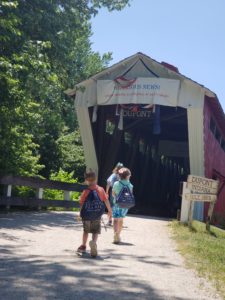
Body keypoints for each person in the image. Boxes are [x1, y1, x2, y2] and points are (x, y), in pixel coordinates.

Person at [77, 170, 112, 257]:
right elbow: (106, 200)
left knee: (86, 231)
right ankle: (94, 243)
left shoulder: (85, 191)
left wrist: (79, 213)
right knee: (95, 231)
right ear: (96, 179)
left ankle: (84, 245)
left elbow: (81, 203)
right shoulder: (100, 189)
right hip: (97, 216)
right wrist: (110, 210)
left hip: (86, 216)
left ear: (86, 180)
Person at [112, 167, 133, 244]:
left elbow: (113, 194)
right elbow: (130, 195)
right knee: (121, 220)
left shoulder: (116, 183)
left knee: (115, 219)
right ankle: (118, 234)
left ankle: (115, 233)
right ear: (127, 176)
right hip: (124, 205)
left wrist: (116, 198)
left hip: (117, 204)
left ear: (119, 176)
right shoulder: (130, 185)